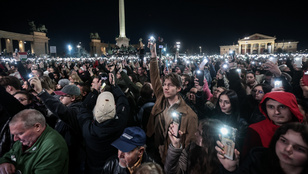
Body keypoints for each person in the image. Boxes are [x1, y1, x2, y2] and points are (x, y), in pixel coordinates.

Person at [146, 42, 198, 164]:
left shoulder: (189, 116)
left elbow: (190, 146)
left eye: (170, 85)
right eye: (164, 84)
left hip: (171, 158)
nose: (165, 88)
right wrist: (153, 57)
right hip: (155, 149)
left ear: (179, 88)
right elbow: (154, 77)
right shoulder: (161, 98)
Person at [78, 73, 129, 174]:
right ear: (114, 107)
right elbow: (123, 102)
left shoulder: (88, 130)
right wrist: (114, 86)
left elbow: (84, 109)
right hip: (113, 168)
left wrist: (95, 92)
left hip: (93, 168)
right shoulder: (120, 124)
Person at [216, 122, 308, 174]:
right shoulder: (257, 159)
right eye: (284, 141)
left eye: (299, 148)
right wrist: (230, 169)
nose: (288, 149)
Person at [0, 109, 69, 174]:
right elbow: (11, 154)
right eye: (14, 135)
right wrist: (4, 162)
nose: (15, 139)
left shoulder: (54, 147)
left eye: (20, 133)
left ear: (37, 127)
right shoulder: (28, 138)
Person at [242, 91, 303, 158]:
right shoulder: (255, 130)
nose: (276, 112)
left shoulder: (302, 130)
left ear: (292, 108)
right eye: (271, 107)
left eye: (282, 107)